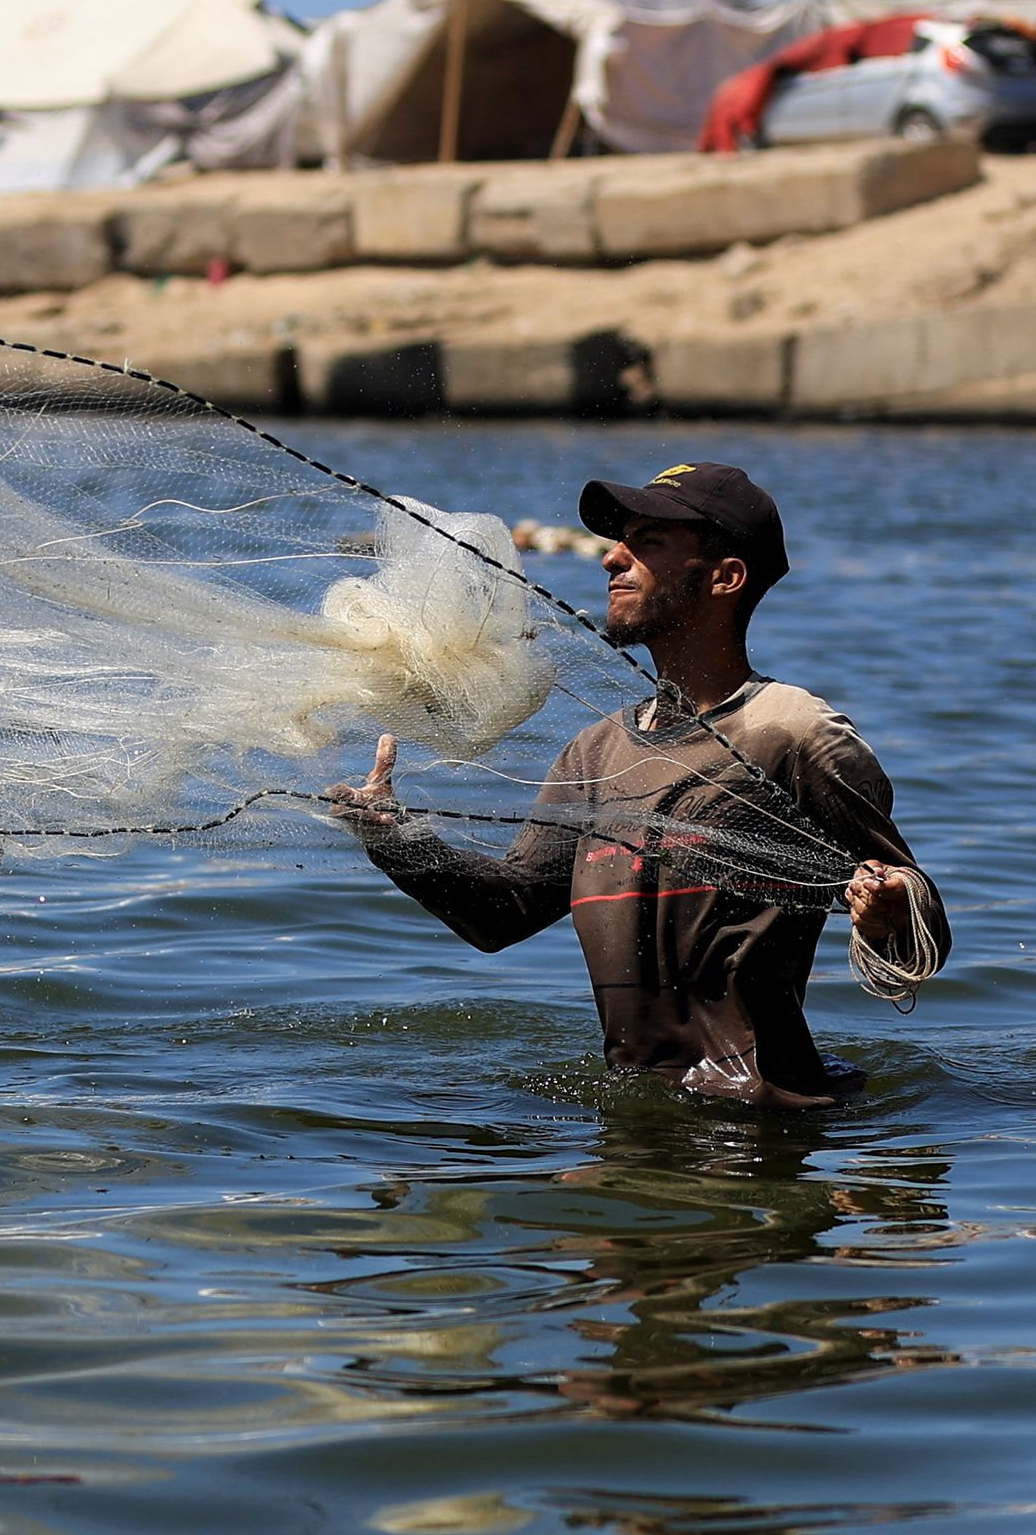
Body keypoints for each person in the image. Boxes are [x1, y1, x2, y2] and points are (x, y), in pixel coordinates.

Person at [327, 462, 947, 1109]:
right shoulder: (594, 754)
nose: (611, 559)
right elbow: (502, 915)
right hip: (633, 1123)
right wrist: (394, 839)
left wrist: (887, 911)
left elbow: (920, 919)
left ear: (725, 578)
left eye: (647, 542)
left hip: (764, 1133)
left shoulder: (790, 732)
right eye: (619, 540)